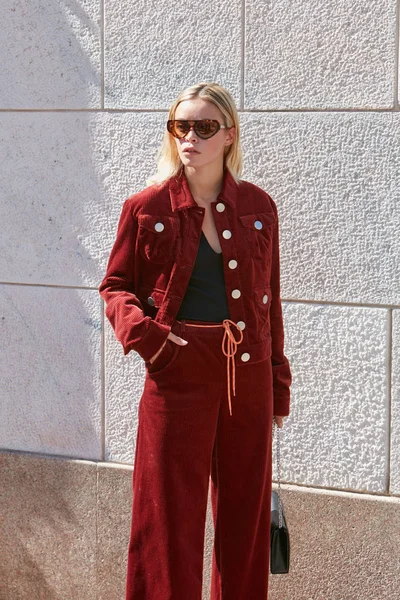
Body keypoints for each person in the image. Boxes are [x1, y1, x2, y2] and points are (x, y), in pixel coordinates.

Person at [98, 81, 292, 600]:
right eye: (180, 126)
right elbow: (115, 286)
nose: (190, 137)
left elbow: (268, 300)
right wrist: (151, 341)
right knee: (166, 523)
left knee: (243, 527)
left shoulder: (258, 207)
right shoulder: (146, 206)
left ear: (228, 135)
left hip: (246, 378)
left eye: (204, 127)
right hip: (176, 375)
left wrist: (276, 382)